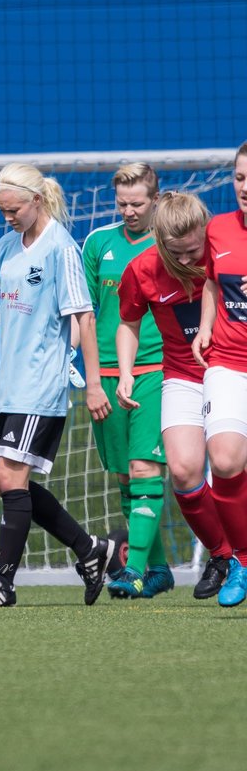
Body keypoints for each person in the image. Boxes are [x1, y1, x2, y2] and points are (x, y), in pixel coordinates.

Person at [0, 162, 115, 608]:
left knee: (12, 475)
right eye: (2, 211)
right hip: (9, 385)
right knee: (4, 481)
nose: (8, 217)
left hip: (42, 384)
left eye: (13, 209)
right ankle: (90, 550)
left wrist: (93, 384)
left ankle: (3, 585)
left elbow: (85, 318)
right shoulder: (5, 248)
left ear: (37, 201)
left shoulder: (62, 249)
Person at [116, 191, 233, 600]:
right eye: (174, 253)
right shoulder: (142, 269)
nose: (185, 262)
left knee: (228, 464)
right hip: (182, 374)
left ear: (206, 231)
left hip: (233, 369)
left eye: (192, 251)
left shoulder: (228, 253)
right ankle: (223, 556)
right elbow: (128, 323)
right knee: (183, 470)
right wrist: (126, 372)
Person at [81, 163, 173, 599]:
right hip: (106, 376)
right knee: (124, 476)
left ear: (156, 199)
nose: (129, 211)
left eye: (137, 203)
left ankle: (133, 570)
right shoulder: (98, 243)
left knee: (145, 468)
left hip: (158, 368)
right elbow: (84, 315)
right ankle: (158, 569)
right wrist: (92, 379)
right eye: (122, 204)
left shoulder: (172, 242)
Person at [191, 141, 247, 605]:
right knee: (225, 461)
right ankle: (242, 562)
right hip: (228, 361)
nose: (245, 187)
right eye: (240, 177)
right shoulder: (218, 229)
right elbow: (211, 280)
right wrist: (206, 327)